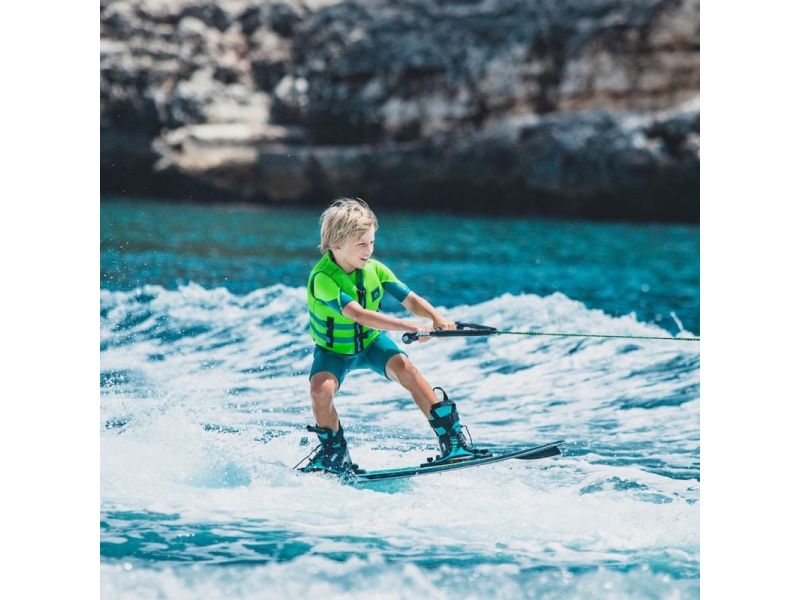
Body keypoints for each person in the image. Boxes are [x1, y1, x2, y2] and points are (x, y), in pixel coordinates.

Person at [302, 198, 486, 474]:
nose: (369, 250)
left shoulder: (375, 269)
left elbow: (409, 299)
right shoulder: (323, 278)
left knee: (406, 368)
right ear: (336, 244)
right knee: (320, 389)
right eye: (362, 244)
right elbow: (358, 314)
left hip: (370, 343)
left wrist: (436, 318)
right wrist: (408, 326)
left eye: (371, 242)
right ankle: (334, 453)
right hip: (334, 352)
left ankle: (452, 441)